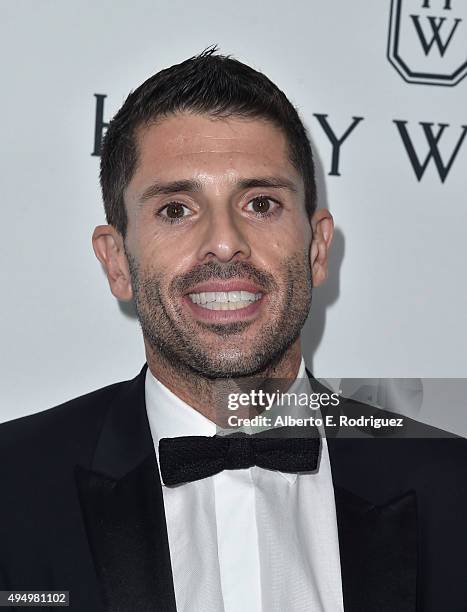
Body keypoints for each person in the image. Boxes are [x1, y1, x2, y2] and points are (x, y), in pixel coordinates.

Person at [0, 48, 466, 612]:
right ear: (116, 261)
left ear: (318, 248)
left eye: (261, 203)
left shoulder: (454, 489)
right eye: (176, 209)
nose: (224, 242)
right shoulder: (13, 485)